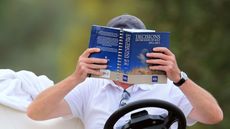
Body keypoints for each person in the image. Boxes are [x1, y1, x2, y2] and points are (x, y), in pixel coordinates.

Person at [27, 14, 223, 129]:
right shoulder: (90, 87)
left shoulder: (171, 88)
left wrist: (179, 77)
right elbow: (36, 113)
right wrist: (75, 78)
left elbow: (214, 116)